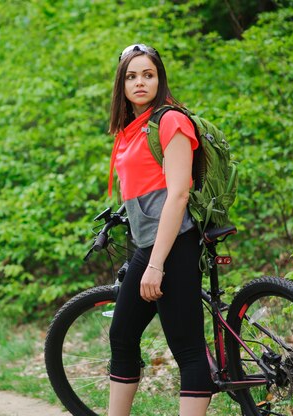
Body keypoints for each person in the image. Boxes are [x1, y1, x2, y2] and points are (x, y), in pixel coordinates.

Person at [106, 44, 214, 416]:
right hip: (148, 244)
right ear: (121, 84)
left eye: (148, 75)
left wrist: (156, 265)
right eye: (131, 76)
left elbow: (179, 193)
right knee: (121, 336)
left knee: (186, 348)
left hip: (174, 246)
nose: (140, 82)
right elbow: (143, 186)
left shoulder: (171, 122)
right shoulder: (132, 129)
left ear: (159, 78)